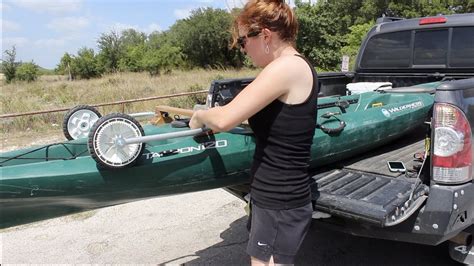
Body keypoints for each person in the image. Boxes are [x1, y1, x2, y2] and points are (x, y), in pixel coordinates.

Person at [189, 0, 318, 264]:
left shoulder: (285, 68)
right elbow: (279, 122)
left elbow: (224, 118)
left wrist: (199, 115)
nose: (243, 50)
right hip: (274, 196)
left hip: (279, 199)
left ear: (266, 36)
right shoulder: (294, 65)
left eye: (244, 41)